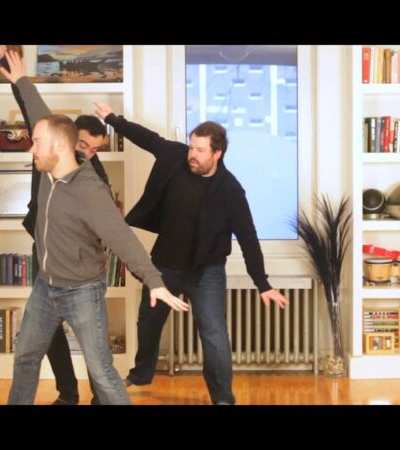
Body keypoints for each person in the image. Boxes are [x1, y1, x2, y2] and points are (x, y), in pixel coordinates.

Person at [0, 51, 189, 406]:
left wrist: (155, 281)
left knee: (101, 371)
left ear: (59, 146)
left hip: (82, 290)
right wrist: (21, 80)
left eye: (36, 143)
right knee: (25, 357)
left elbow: (122, 238)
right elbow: (38, 112)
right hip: (46, 285)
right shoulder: (50, 160)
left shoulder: (91, 191)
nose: (32, 148)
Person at [93, 102, 289, 405]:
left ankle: (223, 398)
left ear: (217, 153)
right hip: (163, 266)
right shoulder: (175, 157)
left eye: (199, 150)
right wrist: (112, 119)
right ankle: (141, 373)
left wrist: (262, 283)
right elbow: (146, 138)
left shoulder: (230, 190)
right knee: (148, 323)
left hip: (206, 272)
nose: (192, 154)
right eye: (191, 146)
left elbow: (248, 238)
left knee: (214, 335)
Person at [0, 46, 115, 405]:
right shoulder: (46, 149)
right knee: (42, 336)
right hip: (45, 254)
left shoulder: (94, 177)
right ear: (66, 140)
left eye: (96, 150)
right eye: (85, 145)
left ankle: (101, 397)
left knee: (95, 350)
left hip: (81, 270)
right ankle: (68, 392)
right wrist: (14, 73)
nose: (89, 154)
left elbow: (111, 228)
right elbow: (33, 110)